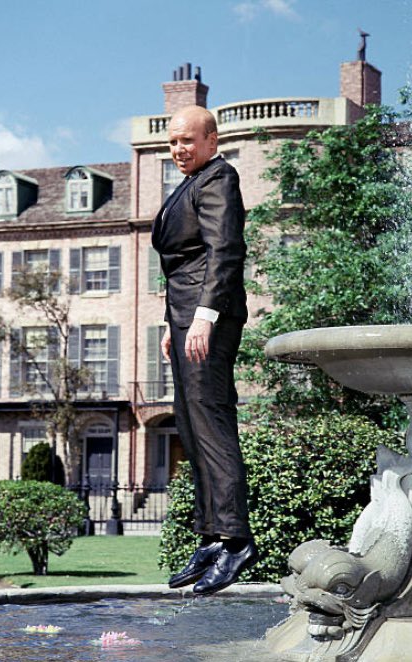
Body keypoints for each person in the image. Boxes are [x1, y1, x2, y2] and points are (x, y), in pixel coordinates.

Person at [152, 104, 258, 595]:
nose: (179, 149)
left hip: (204, 317)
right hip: (184, 318)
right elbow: (181, 262)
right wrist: (169, 326)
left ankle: (236, 540)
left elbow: (225, 250)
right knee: (191, 428)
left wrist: (204, 318)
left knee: (211, 423)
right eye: (173, 142)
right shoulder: (189, 184)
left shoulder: (220, 177)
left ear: (212, 140)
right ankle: (212, 536)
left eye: (187, 141)